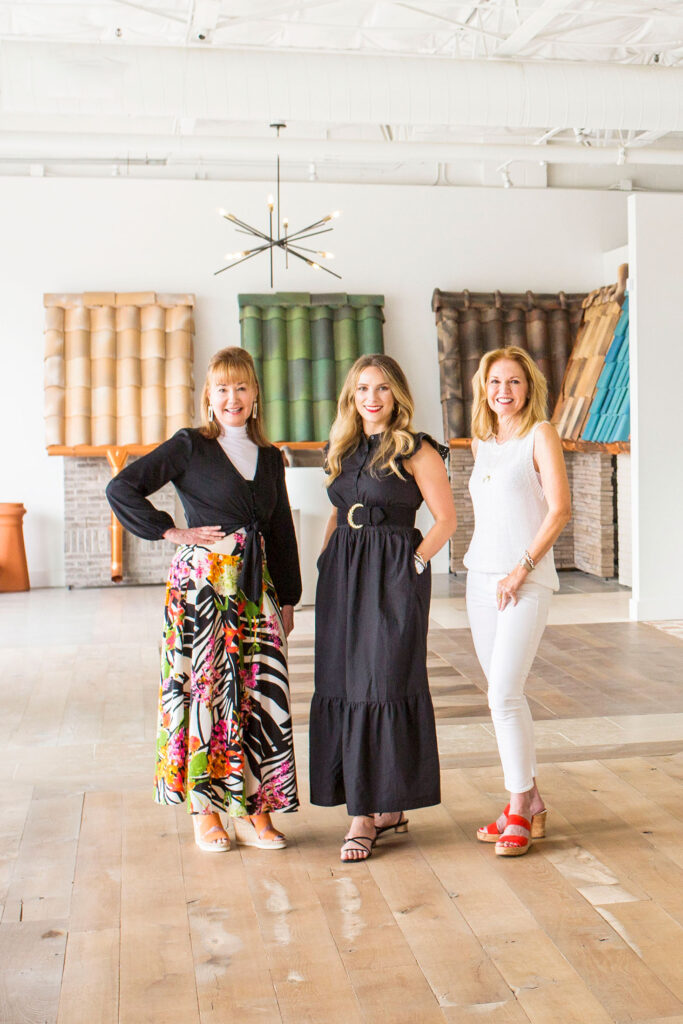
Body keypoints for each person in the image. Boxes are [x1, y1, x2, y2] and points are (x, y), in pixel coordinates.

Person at [106, 347, 301, 852]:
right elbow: (121, 488)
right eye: (222, 388)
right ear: (208, 397)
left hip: (256, 590)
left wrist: (289, 598)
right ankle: (205, 809)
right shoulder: (190, 445)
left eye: (241, 387)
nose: (232, 398)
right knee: (205, 691)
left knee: (257, 694)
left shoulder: (270, 456)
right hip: (204, 588)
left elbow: (281, 529)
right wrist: (172, 531)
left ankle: (255, 808)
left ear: (255, 394)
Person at [310, 354, 458, 862]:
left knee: (384, 681)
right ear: (351, 397)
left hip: (393, 574)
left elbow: (446, 520)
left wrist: (412, 565)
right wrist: (325, 560)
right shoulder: (341, 447)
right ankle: (386, 807)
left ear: (397, 395)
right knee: (343, 681)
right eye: (362, 389)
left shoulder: (417, 450)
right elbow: (338, 510)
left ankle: (364, 814)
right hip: (343, 575)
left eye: (382, 388)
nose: (371, 398)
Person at [465, 346, 571, 856]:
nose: (503, 391)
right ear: (483, 389)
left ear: (529, 387)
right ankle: (532, 800)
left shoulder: (540, 434)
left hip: (525, 580)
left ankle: (517, 807)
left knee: (504, 694)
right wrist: (494, 574)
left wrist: (521, 568)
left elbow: (560, 509)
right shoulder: (482, 442)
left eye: (513, 381)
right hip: (480, 580)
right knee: (503, 695)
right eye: (494, 382)